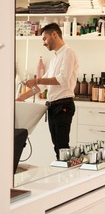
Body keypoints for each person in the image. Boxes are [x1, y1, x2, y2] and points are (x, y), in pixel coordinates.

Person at [16, 23, 79, 160]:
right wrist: (21, 97)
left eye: (45, 38)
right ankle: (62, 173)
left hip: (63, 105)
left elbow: (62, 79)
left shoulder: (68, 52)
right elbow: (42, 86)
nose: (44, 43)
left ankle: (66, 175)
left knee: (62, 146)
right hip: (54, 106)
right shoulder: (55, 57)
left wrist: (37, 80)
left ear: (54, 34)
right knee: (57, 147)